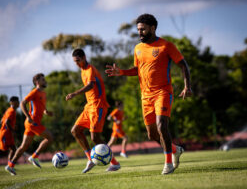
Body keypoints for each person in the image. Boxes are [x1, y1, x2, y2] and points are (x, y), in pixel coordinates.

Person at [105, 13, 192, 175]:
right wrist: (121, 72)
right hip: (145, 97)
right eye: (138, 29)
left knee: (161, 126)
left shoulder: (166, 46)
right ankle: (175, 150)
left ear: (153, 28)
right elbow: (137, 70)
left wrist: (187, 86)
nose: (140, 33)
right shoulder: (138, 48)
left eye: (143, 29)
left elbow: (183, 65)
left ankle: (168, 164)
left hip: (163, 93)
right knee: (152, 134)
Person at [66, 48, 120, 173]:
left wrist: (74, 93)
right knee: (75, 131)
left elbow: (91, 85)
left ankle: (115, 163)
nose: (77, 63)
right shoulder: (82, 70)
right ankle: (90, 159)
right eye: (75, 62)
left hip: (98, 106)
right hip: (89, 106)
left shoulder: (90, 69)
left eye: (78, 60)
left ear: (84, 57)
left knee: (95, 138)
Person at [5, 73, 53, 175]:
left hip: (32, 123)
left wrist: (46, 112)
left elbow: (41, 107)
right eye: (42, 80)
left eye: (44, 79)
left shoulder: (43, 93)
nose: (45, 81)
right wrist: (28, 116)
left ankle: (10, 165)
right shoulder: (34, 92)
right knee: (50, 137)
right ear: (37, 82)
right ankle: (34, 157)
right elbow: (22, 103)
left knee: (23, 146)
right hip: (32, 123)